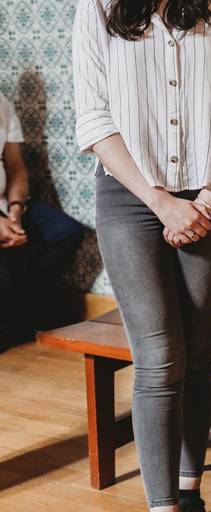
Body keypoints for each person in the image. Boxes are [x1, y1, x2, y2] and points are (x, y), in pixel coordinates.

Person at [72, 0, 211, 510]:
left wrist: (203, 202)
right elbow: (93, 117)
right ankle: (162, 507)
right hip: (128, 198)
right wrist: (160, 202)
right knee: (158, 360)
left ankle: (189, 492)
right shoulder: (97, 5)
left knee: (197, 354)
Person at [0, 91, 83, 344]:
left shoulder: (2, 104)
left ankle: (26, 308)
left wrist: (15, 211)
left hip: (6, 205)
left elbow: (15, 166)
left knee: (64, 231)